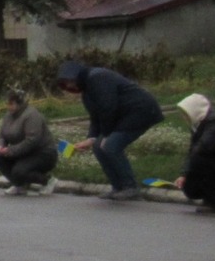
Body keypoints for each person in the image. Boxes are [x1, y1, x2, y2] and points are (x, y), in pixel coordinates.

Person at [57, 59, 166, 201]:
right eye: (65, 83)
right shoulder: (87, 92)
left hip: (140, 111)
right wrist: (91, 138)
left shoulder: (98, 78)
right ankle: (118, 187)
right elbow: (95, 117)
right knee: (98, 147)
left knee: (111, 146)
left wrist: (106, 135)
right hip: (124, 115)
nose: (69, 86)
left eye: (70, 81)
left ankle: (130, 187)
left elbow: (108, 107)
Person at [0, 86, 57, 197]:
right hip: (22, 152)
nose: (8, 107)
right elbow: (2, 135)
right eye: (7, 104)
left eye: (11, 104)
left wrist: (11, 150)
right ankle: (19, 184)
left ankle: (47, 180)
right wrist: (0, 146)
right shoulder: (8, 116)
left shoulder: (31, 115)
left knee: (19, 171)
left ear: (19, 103)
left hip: (42, 153)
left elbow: (32, 141)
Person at [175, 92, 215, 212]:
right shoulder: (198, 125)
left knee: (200, 162)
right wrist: (184, 174)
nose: (184, 117)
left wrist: (189, 170)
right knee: (189, 185)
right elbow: (193, 150)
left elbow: (203, 148)